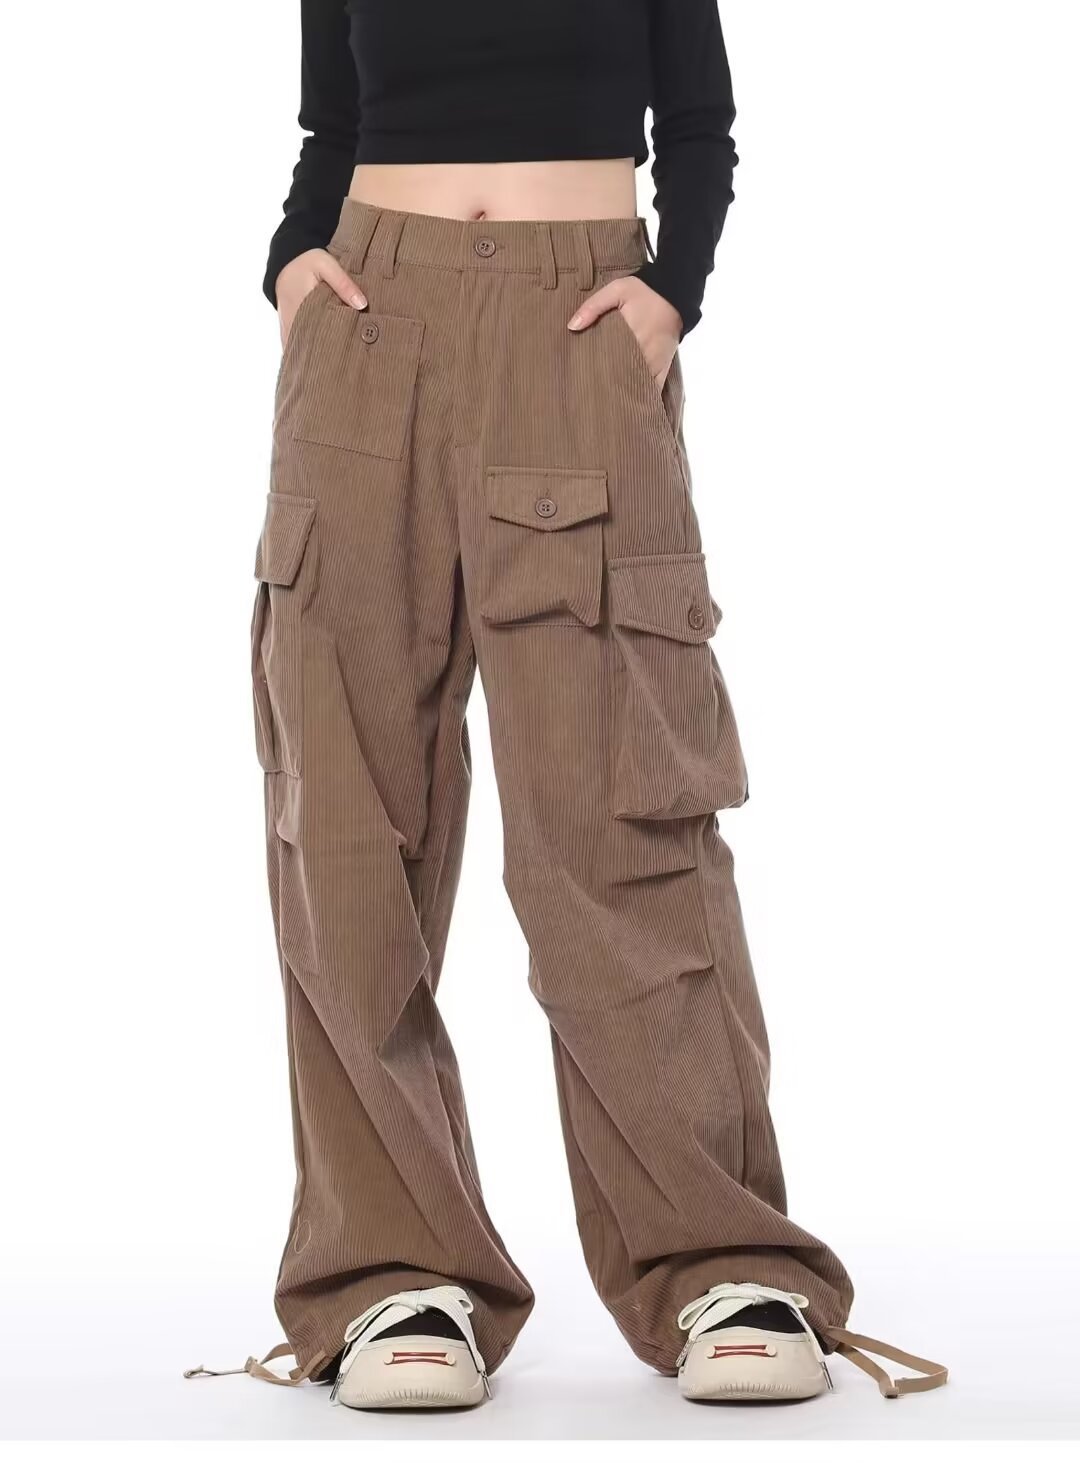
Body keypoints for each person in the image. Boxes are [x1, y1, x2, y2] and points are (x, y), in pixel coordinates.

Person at [190, 0, 947, 1411]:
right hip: (367, 324)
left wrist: (673, 291)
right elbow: (331, 125)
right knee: (345, 823)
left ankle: (719, 1257)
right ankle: (390, 1273)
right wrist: (291, 262)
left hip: (580, 321)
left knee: (620, 810)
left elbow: (700, 125)